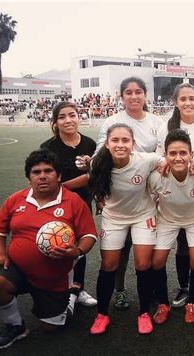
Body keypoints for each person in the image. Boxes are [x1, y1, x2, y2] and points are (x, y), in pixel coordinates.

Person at [77, 77, 164, 311]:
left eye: (138, 92)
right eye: (128, 92)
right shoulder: (112, 121)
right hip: (117, 189)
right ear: (121, 96)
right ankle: (120, 290)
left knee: (148, 252)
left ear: (146, 95)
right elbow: (100, 153)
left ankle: (152, 294)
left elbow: (162, 155)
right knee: (118, 250)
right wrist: (93, 169)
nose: (134, 96)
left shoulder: (157, 121)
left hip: (147, 191)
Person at [0, 149, 97, 349]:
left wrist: (76, 251)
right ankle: (15, 326)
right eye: (36, 172)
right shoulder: (16, 200)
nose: (42, 176)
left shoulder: (73, 202)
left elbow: (89, 235)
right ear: (29, 177)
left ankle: (72, 296)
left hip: (53, 278)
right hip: (18, 268)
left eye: (48, 171)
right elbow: (0, 230)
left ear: (58, 176)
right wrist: (0, 253)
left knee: (51, 328)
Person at [88, 124, 163, 335]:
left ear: (133, 144)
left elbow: (165, 162)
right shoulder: (97, 163)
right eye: (115, 140)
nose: (120, 145)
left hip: (143, 216)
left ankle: (144, 313)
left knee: (143, 264)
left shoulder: (145, 160)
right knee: (109, 264)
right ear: (107, 143)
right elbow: (94, 184)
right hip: (114, 218)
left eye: (125, 141)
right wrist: (99, 201)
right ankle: (102, 314)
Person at [156, 83, 194, 311]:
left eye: (192, 98)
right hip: (175, 190)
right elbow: (161, 159)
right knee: (182, 245)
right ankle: (184, 286)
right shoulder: (167, 128)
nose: (188, 103)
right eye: (183, 99)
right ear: (175, 102)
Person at [149, 129, 194, 324]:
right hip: (167, 219)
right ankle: (163, 304)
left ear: (191, 155)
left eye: (183, 153)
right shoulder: (157, 177)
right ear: (165, 155)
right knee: (157, 261)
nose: (178, 158)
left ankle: (192, 302)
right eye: (172, 153)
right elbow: (145, 197)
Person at [40, 101, 98, 308]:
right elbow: (44, 177)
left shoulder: (90, 144)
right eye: (62, 117)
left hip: (82, 203)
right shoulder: (48, 147)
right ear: (55, 122)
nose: (68, 120)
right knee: (57, 243)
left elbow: (95, 176)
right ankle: (56, 288)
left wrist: (66, 185)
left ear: (79, 117)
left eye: (72, 115)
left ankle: (78, 288)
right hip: (57, 204)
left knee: (79, 245)